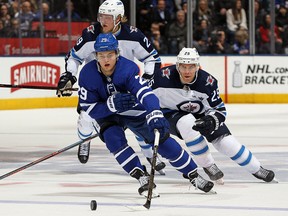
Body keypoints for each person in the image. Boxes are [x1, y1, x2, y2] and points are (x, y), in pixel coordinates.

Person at [77, 32, 215, 196]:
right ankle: (141, 176)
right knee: (113, 139)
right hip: (106, 115)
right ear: (96, 56)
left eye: (110, 55)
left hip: (133, 111)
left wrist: (155, 113)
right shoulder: (87, 74)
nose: (106, 60)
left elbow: (145, 93)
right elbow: (89, 107)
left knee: (161, 139)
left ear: (117, 54)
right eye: (101, 55)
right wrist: (110, 105)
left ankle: (193, 174)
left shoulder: (127, 69)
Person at [56, 0, 166, 174]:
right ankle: (84, 142)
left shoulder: (134, 35)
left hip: (125, 84)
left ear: (119, 18)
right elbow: (74, 57)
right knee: (86, 117)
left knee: (139, 119)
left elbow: (152, 58)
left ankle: (150, 154)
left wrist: (146, 78)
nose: (103, 21)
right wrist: (69, 75)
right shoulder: (91, 34)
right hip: (97, 87)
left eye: (108, 17)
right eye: (101, 16)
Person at [151, 47, 275, 183]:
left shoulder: (207, 82)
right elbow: (141, 94)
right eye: (183, 66)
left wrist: (211, 120)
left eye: (191, 66)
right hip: (169, 113)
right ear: (177, 65)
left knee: (226, 142)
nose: (187, 71)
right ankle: (209, 165)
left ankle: (256, 169)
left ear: (197, 66)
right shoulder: (160, 77)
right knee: (187, 123)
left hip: (201, 114)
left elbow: (220, 110)